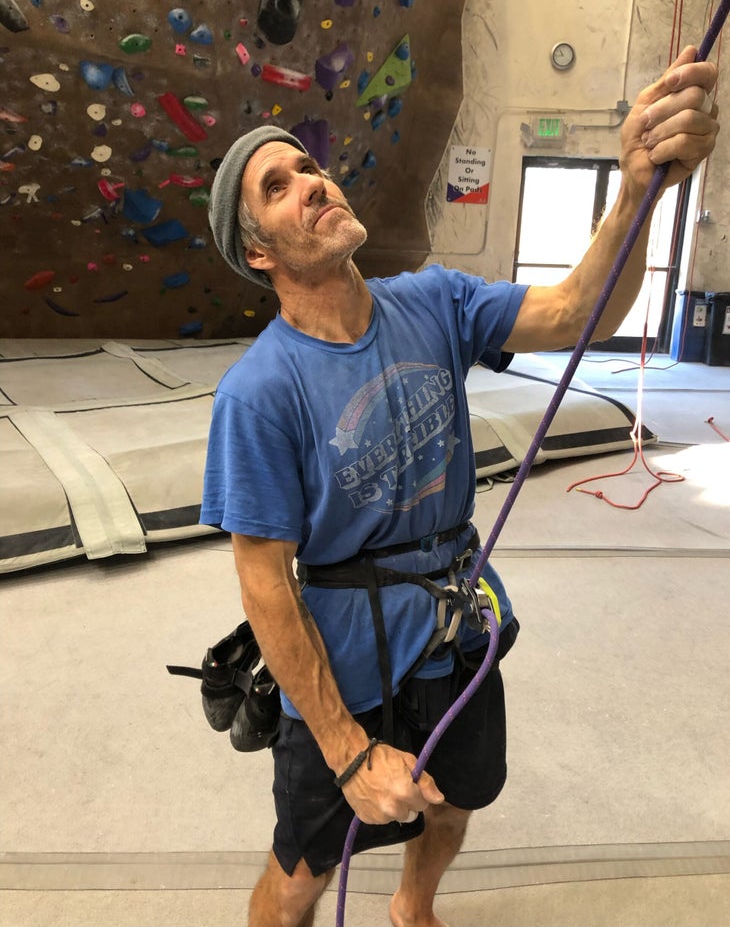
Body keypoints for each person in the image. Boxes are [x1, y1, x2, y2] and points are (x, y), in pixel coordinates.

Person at [200, 45, 719, 927]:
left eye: (311, 165)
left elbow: (577, 309)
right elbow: (264, 587)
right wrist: (346, 747)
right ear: (259, 249)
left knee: (457, 795)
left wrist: (639, 189)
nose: (313, 183)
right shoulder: (259, 391)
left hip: (455, 624)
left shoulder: (431, 301)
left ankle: (413, 904)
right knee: (300, 874)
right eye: (279, 186)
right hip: (346, 660)